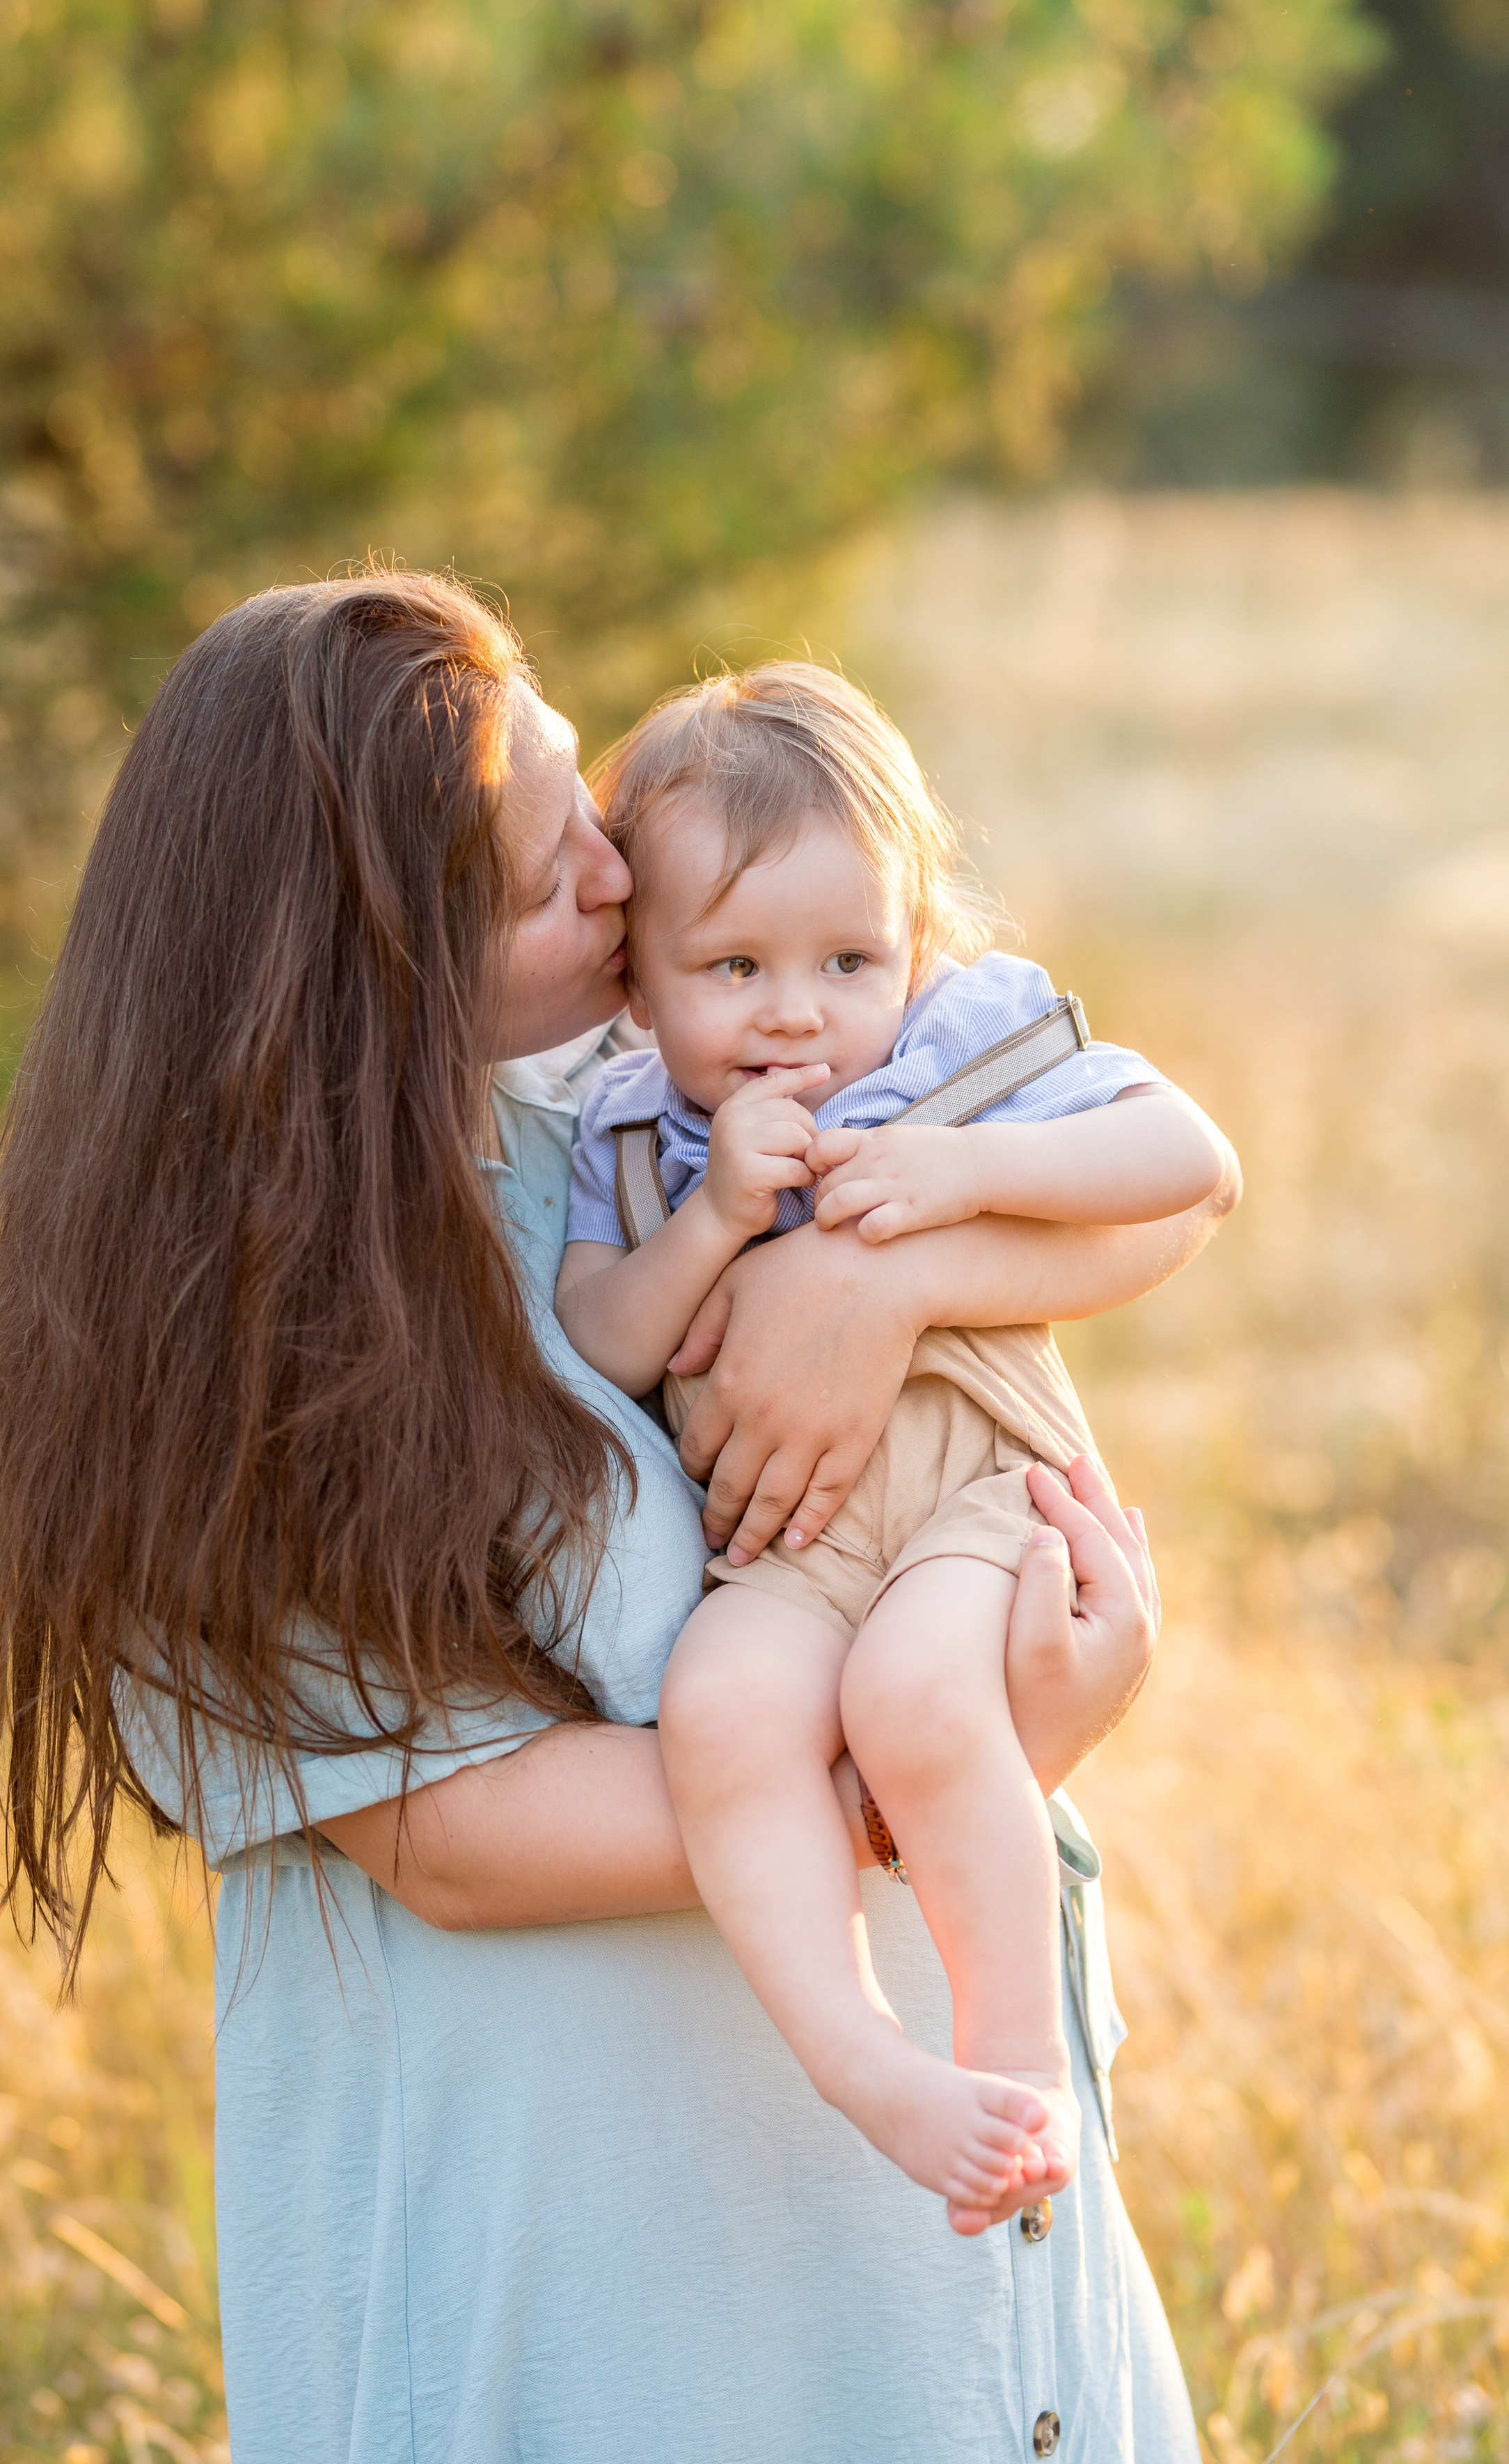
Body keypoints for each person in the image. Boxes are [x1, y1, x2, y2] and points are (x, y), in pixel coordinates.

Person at [0, 570, 1235, 2463]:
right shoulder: (235, 1313)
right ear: (380, 971)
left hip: (909, 2206)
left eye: (583, 810)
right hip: (597, 2270)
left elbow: (1166, 1183)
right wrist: (971, 1745)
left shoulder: (612, 1113)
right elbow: (453, 1834)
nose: (623, 880)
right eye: (553, 880)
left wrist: (888, 1288)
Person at [554, 665, 1235, 2234]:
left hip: (979, 1493)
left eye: (846, 956)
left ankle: (1014, 2069)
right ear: (637, 989)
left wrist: (960, 1171)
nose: (796, 1011)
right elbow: (601, 1343)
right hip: (787, 1541)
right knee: (720, 1718)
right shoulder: (632, 1134)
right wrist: (718, 1215)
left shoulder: (955, 1045)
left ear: (912, 941)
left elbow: (1187, 1160)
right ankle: (866, 2062)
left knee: (916, 1698)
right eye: (730, 965)